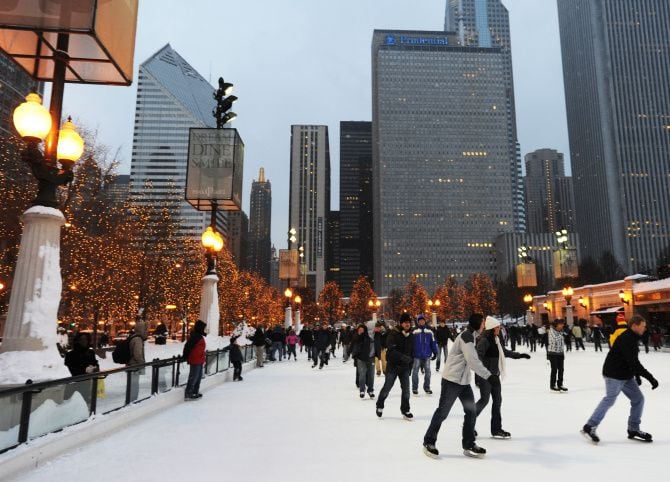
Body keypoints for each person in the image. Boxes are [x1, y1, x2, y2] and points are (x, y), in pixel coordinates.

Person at [422, 314, 494, 459]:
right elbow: (473, 360)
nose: (484, 326)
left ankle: (468, 444)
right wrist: (489, 376)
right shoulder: (466, 337)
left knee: (471, 412)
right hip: (452, 381)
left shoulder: (471, 336)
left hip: (463, 381)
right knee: (443, 412)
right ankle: (429, 442)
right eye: (483, 323)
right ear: (478, 323)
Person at [581, 315, 659, 444]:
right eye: (643, 326)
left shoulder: (632, 338)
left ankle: (633, 429)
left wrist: (637, 375)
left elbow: (631, 360)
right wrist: (650, 378)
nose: (645, 328)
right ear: (634, 325)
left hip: (625, 374)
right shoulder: (627, 338)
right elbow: (633, 362)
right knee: (610, 399)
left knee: (638, 399)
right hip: (614, 374)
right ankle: (590, 426)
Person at [474, 316, 531, 439]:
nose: (499, 329)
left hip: (495, 376)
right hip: (486, 377)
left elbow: (504, 352)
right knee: (484, 401)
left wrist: (519, 355)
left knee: (497, 402)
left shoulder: (497, 339)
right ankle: (468, 423)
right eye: (497, 327)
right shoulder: (484, 340)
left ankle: (496, 429)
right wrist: (484, 374)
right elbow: (477, 358)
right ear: (491, 328)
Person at [375, 313, 414, 420]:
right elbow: (391, 350)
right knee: (387, 387)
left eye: (409, 322)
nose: (407, 324)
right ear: (401, 323)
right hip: (393, 366)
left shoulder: (411, 335)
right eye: (405, 322)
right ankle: (380, 404)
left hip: (405, 367)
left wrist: (410, 365)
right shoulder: (393, 334)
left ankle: (405, 410)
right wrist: (402, 357)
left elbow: (412, 352)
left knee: (406, 390)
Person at [412, 314, 438, 395]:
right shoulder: (414, 331)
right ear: (418, 322)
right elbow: (410, 343)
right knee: (415, 372)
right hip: (417, 355)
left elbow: (433, 342)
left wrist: (435, 352)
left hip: (427, 354)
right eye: (420, 320)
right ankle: (415, 388)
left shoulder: (429, 331)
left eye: (423, 320)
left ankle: (427, 387)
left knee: (428, 372)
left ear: (424, 321)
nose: (421, 322)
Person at [351, 323, 378, 399]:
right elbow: (354, 341)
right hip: (361, 358)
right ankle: (362, 390)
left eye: (362, 329)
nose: (361, 331)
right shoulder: (359, 336)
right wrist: (359, 334)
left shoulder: (375, 335)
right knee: (362, 375)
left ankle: (370, 390)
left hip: (371, 358)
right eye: (359, 330)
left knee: (371, 375)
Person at [128, 321, 148, 402]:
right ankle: (132, 401)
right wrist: (142, 364)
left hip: (132, 365)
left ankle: (131, 400)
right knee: (134, 385)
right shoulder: (138, 339)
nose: (146, 332)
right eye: (145, 330)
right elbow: (137, 354)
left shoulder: (134, 337)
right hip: (134, 366)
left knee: (133, 384)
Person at [547, 319, 568, 392]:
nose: (562, 325)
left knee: (561, 369)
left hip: (560, 353)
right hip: (552, 353)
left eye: (563, 324)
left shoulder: (561, 331)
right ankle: (552, 385)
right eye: (561, 324)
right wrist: (562, 335)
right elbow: (555, 339)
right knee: (554, 369)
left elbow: (562, 342)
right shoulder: (551, 331)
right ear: (556, 325)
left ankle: (560, 384)